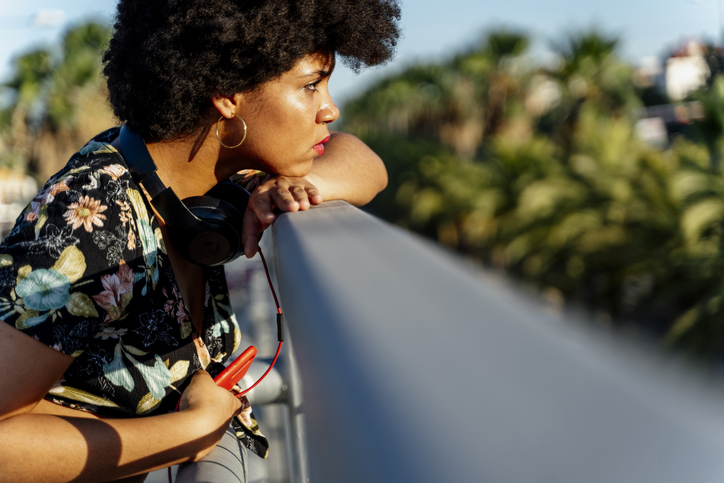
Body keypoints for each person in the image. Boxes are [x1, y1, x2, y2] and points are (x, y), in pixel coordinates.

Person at [0, 0, 400, 481]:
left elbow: (364, 162)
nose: (330, 108)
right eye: (311, 85)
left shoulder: (208, 174)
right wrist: (189, 431)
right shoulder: (92, 220)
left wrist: (293, 188)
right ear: (227, 94)